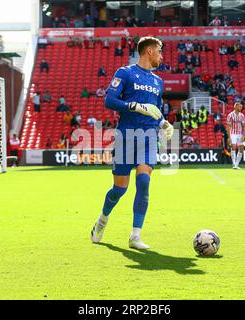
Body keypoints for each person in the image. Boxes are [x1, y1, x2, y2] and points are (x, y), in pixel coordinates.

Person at [90, 36, 173, 250]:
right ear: (149, 51)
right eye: (159, 51)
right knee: (120, 189)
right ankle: (102, 221)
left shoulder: (158, 81)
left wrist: (164, 123)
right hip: (126, 135)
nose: (161, 56)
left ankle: (135, 235)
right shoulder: (125, 73)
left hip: (148, 137)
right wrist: (135, 106)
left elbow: (155, 110)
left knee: (144, 182)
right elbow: (109, 101)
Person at [226, 102, 245, 170]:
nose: (241, 108)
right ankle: (234, 163)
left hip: (240, 134)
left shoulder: (242, 115)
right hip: (233, 134)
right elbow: (228, 127)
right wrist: (229, 137)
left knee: (241, 149)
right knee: (233, 147)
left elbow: (243, 126)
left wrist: (243, 135)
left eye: (241, 107)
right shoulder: (230, 115)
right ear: (236, 106)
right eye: (240, 107)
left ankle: (237, 164)